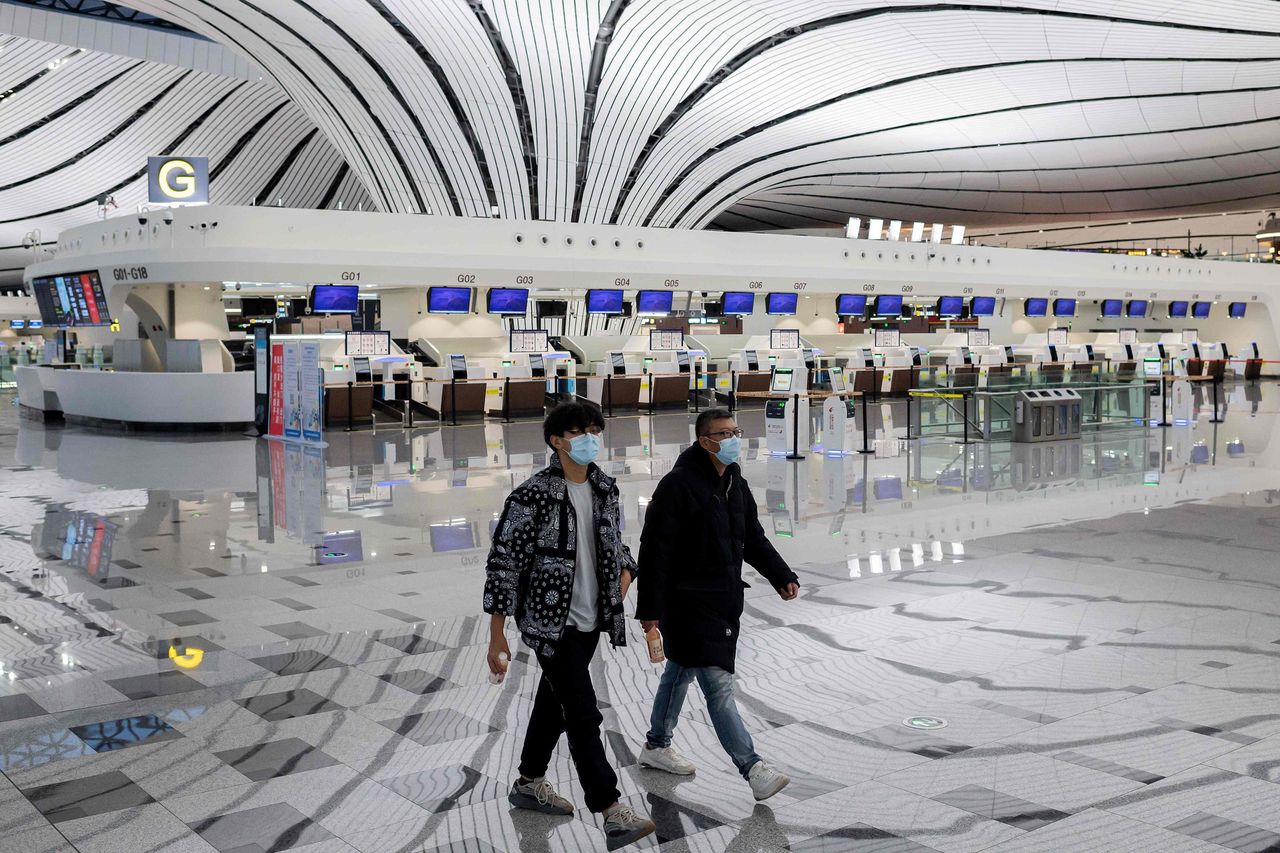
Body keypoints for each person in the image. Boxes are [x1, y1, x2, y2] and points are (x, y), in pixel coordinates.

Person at [483, 401, 656, 851]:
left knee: (555, 702)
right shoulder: (531, 496)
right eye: (580, 432)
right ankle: (610, 809)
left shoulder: (604, 488)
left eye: (595, 430)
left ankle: (529, 781)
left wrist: (624, 576)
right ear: (557, 441)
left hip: (591, 620)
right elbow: (504, 564)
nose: (590, 438)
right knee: (582, 712)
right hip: (550, 624)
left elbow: (616, 546)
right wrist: (497, 634)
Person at [635, 408, 801, 801]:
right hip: (686, 602)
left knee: (679, 671)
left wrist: (781, 575)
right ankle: (753, 768)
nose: (732, 440)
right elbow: (655, 550)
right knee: (718, 684)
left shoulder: (734, 481)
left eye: (735, 431)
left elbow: (752, 536)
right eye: (723, 434)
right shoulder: (678, 485)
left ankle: (657, 745)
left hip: (723, 597)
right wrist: (650, 610)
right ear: (704, 441)